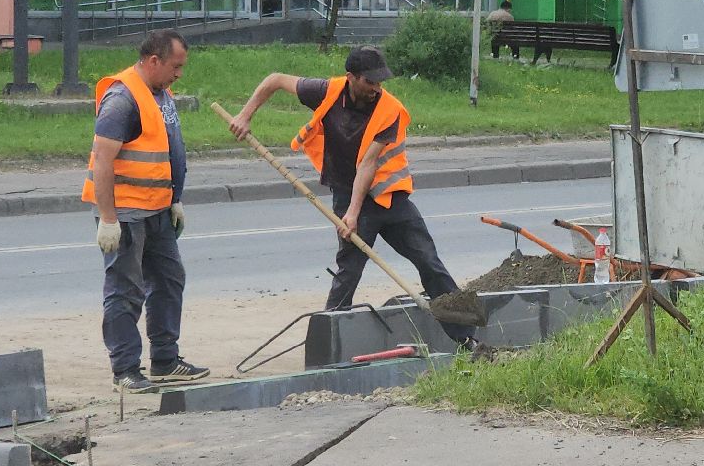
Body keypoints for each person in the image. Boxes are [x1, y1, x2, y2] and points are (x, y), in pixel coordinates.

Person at [228, 48, 471, 338]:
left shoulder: (390, 109)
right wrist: (244, 115)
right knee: (349, 269)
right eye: (370, 82)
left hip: (390, 198)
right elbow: (276, 79)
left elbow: (368, 164)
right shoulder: (327, 91)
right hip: (347, 192)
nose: (376, 88)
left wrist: (352, 213)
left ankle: (468, 337)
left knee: (428, 261)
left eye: (380, 82)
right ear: (351, 78)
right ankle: (329, 341)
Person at [85, 29, 208, 393]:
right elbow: (103, 160)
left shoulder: (161, 94)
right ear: (154, 61)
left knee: (170, 280)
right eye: (175, 66)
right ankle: (125, 370)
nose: (179, 74)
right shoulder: (122, 99)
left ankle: (165, 361)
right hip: (125, 214)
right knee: (125, 290)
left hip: (157, 210)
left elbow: (165, 150)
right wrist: (108, 220)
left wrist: (174, 199)